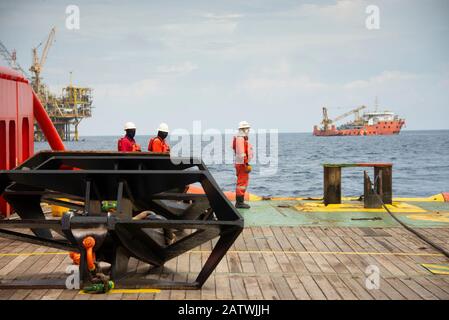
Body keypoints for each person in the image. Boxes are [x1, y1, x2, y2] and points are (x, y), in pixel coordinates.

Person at [232, 121, 253, 209]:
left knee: (242, 182)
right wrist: (245, 164)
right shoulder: (240, 138)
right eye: (247, 128)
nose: (248, 130)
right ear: (243, 129)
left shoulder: (238, 138)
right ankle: (239, 203)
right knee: (242, 183)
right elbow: (241, 153)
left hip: (240, 163)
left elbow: (234, 148)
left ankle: (240, 201)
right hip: (242, 164)